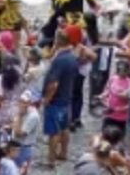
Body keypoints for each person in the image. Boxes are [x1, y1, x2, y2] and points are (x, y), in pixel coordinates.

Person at [42, 29, 79, 169]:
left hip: (56, 101)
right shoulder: (72, 57)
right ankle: (63, 153)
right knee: (65, 128)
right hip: (67, 98)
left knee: (54, 132)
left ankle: (50, 160)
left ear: (57, 42)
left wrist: (47, 99)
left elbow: (53, 84)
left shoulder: (59, 60)